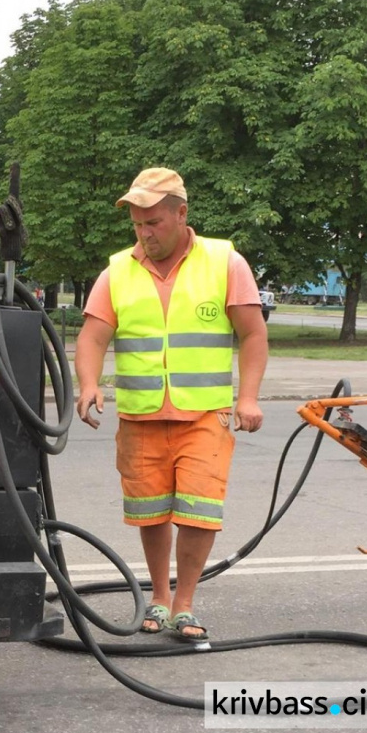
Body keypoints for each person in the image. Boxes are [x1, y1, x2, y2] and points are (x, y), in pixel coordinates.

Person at [75, 168, 268, 641]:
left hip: (204, 415)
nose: (145, 232)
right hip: (141, 417)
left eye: (154, 222)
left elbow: (253, 333)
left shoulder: (224, 262)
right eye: (138, 223)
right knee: (151, 512)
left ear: (182, 214)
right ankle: (159, 597)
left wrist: (248, 397)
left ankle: (185, 604)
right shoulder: (117, 269)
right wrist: (88, 383)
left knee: (199, 510)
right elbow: (92, 336)